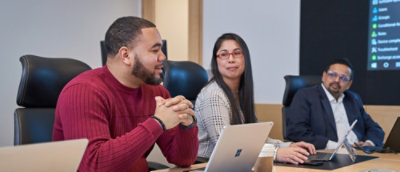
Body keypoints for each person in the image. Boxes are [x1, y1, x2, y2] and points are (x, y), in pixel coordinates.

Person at [52, 16, 198, 172]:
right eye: (155, 50)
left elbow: (183, 160)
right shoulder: (82, 91)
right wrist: (157, 123)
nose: (163, 57)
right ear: (126, 55)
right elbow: (94, 165)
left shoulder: (157, 92)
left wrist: (187, 126)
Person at [195, 33, 316, 165]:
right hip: (205, 166)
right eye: (224, 54)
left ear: (245, 58)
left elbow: (256, 140)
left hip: (235, 165)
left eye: (237, 53)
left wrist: (288, 146)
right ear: (216, 61)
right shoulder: (214, 95)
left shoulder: (240, 94)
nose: (231, 59)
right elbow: (226, 148)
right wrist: (275, 153)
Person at [286, 58, 384, 150]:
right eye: (332, 75)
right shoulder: (305, 96)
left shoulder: (353, 99)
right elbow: (296, 131)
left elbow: (375, 129)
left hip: (359, 153)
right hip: (328, 155)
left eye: (343, 78)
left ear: (349, 84)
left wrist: (368, 143)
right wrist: (336, 147)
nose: (336, 80)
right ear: (324, 76)